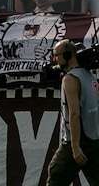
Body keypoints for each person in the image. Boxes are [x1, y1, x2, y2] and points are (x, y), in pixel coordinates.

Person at [48, 39, 99, 184]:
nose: (55, 59)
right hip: (94, 141)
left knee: (55, 176)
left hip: (76, 141)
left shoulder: (70, 79)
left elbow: (74, 113)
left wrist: (75, 147)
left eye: (57, 55)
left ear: (68, 55)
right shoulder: (90, 76)